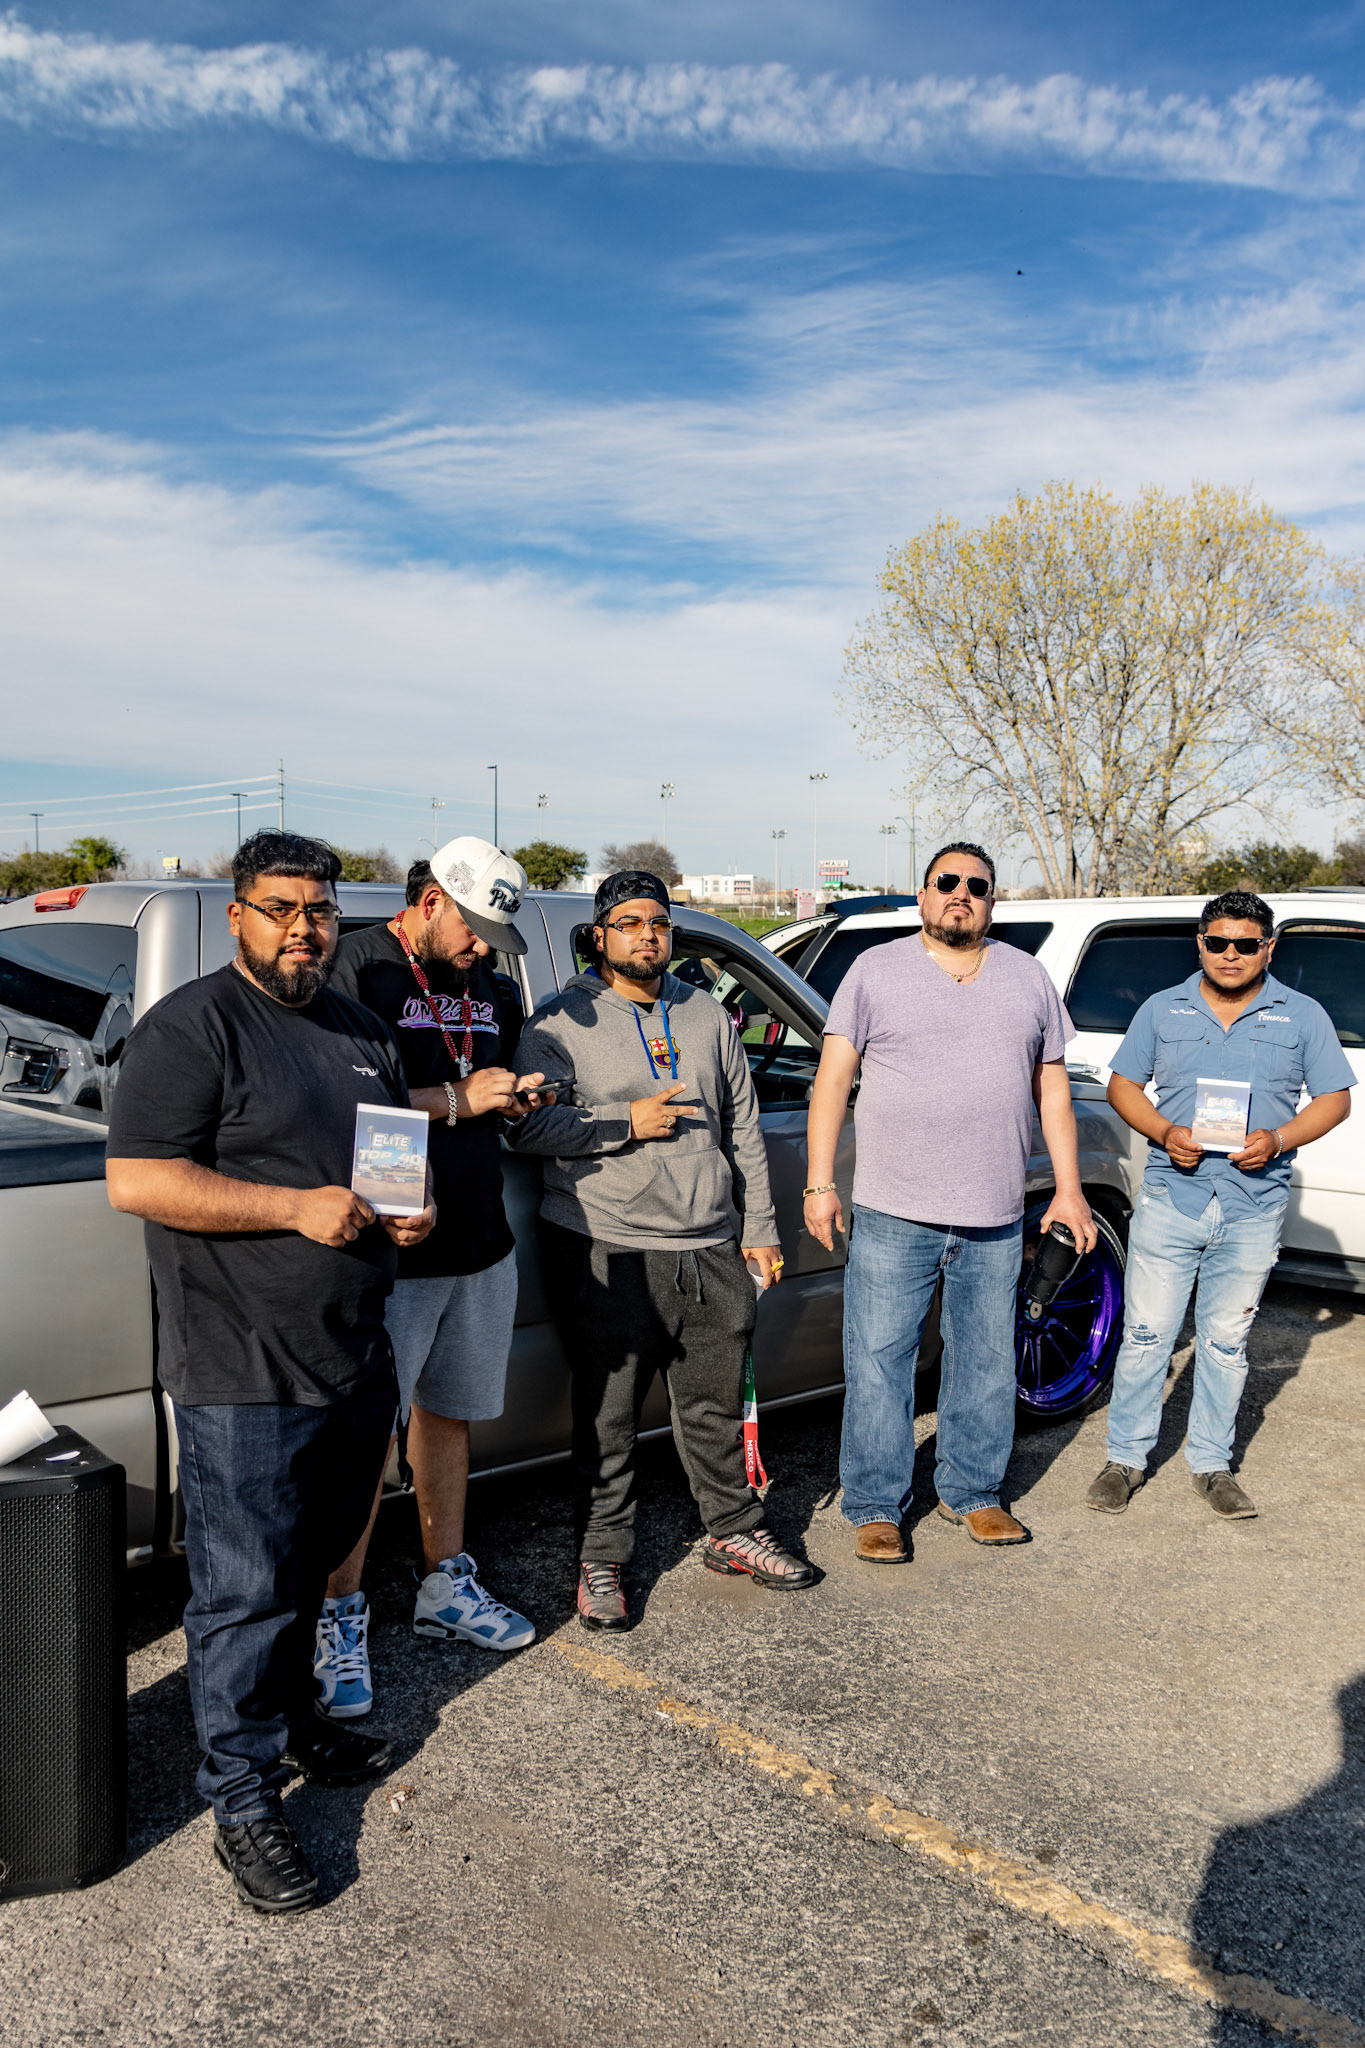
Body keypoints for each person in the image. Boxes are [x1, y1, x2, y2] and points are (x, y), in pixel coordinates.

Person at [105, 832, 435, 1914]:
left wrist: (412, 1211)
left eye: (320, 910)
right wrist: (293, 1207)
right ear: (239, 915)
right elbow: (138, 1179)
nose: (304, 928)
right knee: (244, 1588)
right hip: (240, 1359)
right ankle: (241, 1796)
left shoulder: (361, 1030)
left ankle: (294, 1726)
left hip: (353, 1349)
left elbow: (390, 1163)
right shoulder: (192, 1025)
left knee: (311, 1559)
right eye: (281, 908)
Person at [506, 869, 814, 1629]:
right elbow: (525, 1127)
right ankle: (602, 1558)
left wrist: (759, 1225)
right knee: (607, 1419)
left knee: (713, 1406)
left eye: (660, 922)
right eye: (631, 923)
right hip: (608, 1246)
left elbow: (742, 1123)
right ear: (599, 935)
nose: (649, 935)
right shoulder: (558, 1022)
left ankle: (733, 1531)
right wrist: (624, 1122)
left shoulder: (704, 1013)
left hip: (710, 1242)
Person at [804, 841, 1096, 1563]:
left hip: (995, 1214)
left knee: (987, 1361)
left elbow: (1053, 1091)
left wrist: (1068, 1191)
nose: (961, 893)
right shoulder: (874, 972)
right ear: (923, 894)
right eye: (947, 882)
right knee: (880, 1361)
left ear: (993, 901)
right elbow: (832, 1080)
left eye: (977, 885)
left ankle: (973, 1491)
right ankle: (875, 1504)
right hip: (893, 1211)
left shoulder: (1028, 977)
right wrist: (819, 1182)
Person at [312, 840, 552, 1719]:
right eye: (474, 928)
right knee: (364, 1439)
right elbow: (332, 1106)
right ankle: (336, 1613)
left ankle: (444, 1583)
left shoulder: (490, 986)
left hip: (480, 1238)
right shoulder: (355, 967)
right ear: (429, 901)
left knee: (449, 1416)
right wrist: (459, 1099)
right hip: (389, 1248)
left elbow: (485, 1087)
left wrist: (513, 1097)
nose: (483, 948)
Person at [1087, 890, 1353, 1520]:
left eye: (1246, 943)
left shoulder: (1303, 1015)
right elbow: (1123, 1085)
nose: (1231, 954)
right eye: (1218, 942)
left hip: (1253, 1206)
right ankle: (1124, 1459)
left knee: (1225, 1344)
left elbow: (1335, 1098)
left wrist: (1279, 1140)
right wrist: (1163, 1132)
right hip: (1171, 1198)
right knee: (1147, 1336)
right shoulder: (1162, 1008)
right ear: (1200, 944)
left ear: (1269, 948)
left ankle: (1211, 1465)